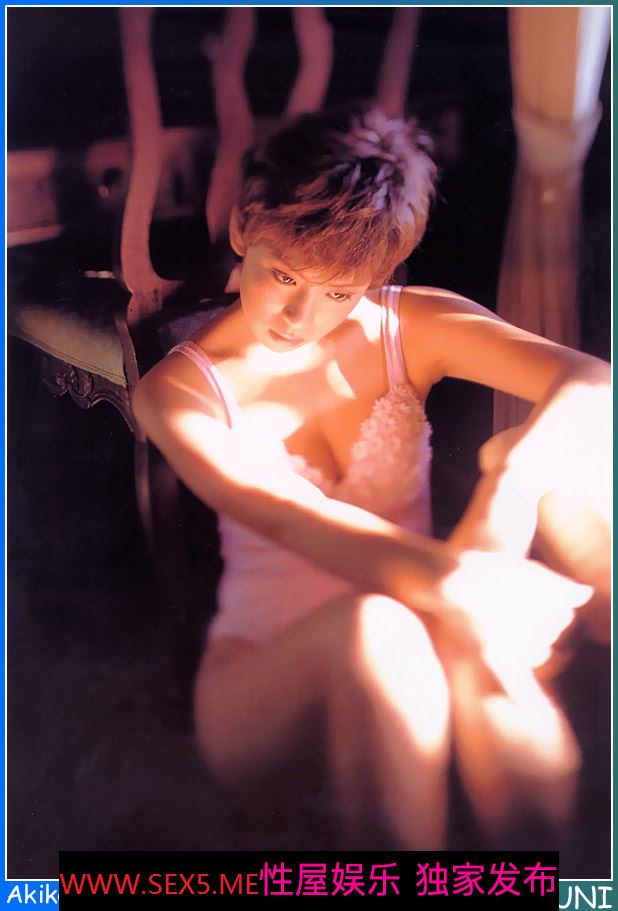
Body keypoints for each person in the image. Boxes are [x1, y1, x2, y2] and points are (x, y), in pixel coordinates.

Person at [133, 106, 609, 850]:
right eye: (284, 275)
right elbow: (287, 516)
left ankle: (556, 873)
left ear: (375, 276)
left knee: (464, 635)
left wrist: (511, 481)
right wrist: (465, 582)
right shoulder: (178, 392)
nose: (301, 315)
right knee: (382, 626)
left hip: (427, 641)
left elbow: (593, 381)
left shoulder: (409, 326)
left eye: (339, 292)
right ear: (243, 230)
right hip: (265, 682)